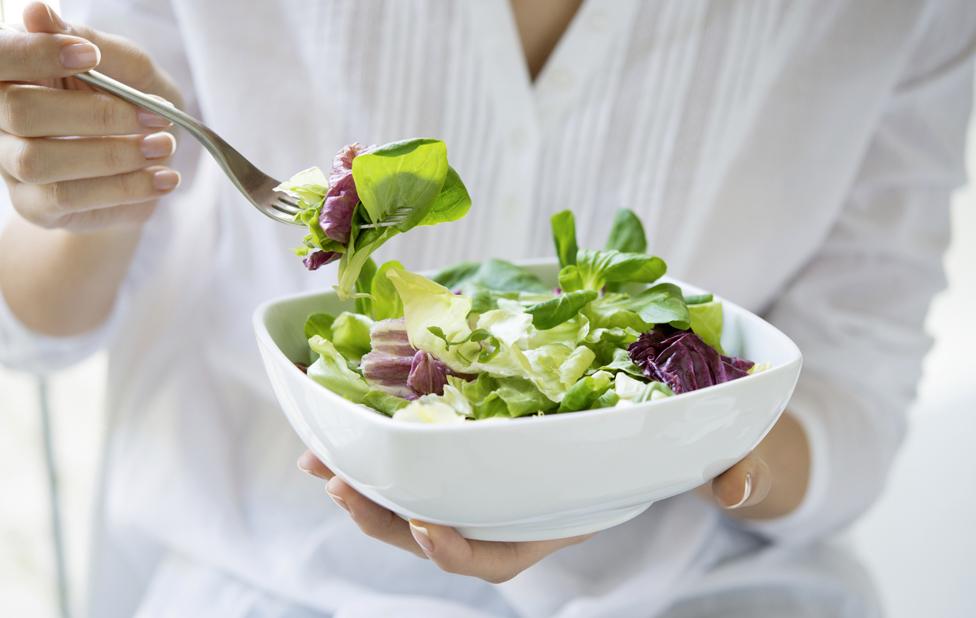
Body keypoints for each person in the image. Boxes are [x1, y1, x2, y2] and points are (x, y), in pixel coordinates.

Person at [0, 1, 972, 616]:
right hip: (268, 575)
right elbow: (41, 331)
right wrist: (97, 178)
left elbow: (857, 388)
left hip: (700, 592)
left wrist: (669, 445)